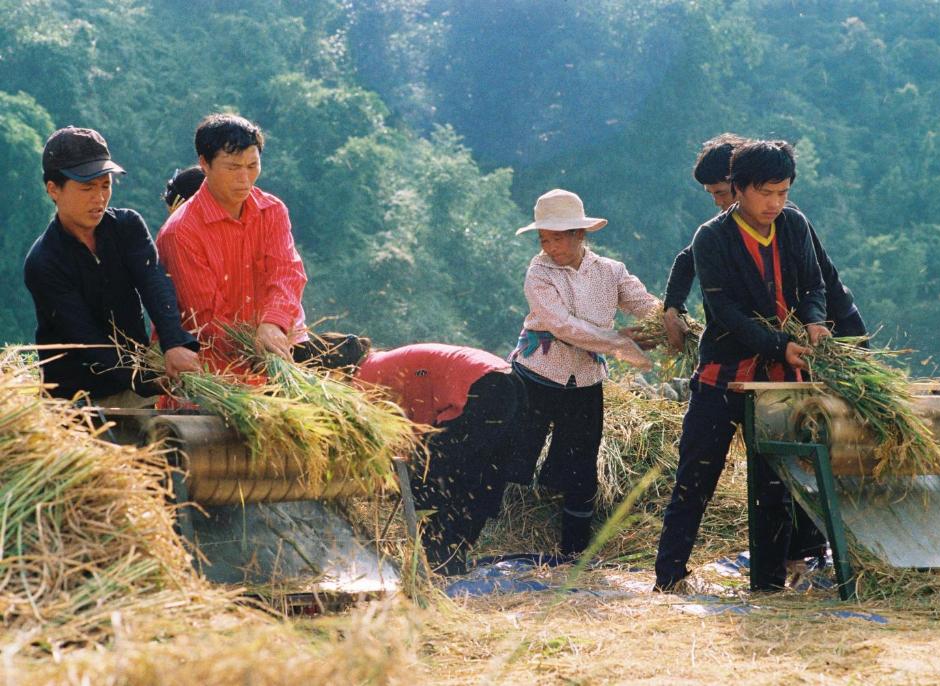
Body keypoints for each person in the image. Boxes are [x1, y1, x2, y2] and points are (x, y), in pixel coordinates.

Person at [654, 140, 830, 593]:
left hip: (779, 382)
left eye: (783, 192)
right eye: (766, 193)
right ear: (740, 189)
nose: (776, 203)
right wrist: (778, 345)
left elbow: (814, 284)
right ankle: (669, 577)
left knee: (775, 484)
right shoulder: (711, 237)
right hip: (724, 377)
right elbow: (725, 312)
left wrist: (812, 322)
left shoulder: (793, 225)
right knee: (695, 477)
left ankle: (770, 586)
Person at [508, 188, 659, 558]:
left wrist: (670, 323)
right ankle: (495, 532)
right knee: (514, 453)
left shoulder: (610, 271)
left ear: (580, 234)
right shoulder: (539, 272)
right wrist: (618, 342)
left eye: (557, 238)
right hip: (536, 374)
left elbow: (643, 303)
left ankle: (575, 551)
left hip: (585, 381)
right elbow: (561, 326)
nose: (550, 247)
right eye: (544, 239)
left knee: (581, 464)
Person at [23, 126, 200, 404]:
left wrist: (174, 343)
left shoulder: (127, 226)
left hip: (137, 386)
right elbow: (85, 339)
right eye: (87, 188)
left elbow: (154, 283)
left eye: (105, 185)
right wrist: (143, 380)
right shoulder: (44, 261)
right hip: (77, 399)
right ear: (53, 190)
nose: (99, 198)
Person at [333, 337, 527, 576]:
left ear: (333, 372)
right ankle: (451, 559)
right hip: (508, 381)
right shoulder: (381, 362)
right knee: (482, 477)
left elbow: (401, 439)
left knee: (432, 480)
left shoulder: (362, 380)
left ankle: (438, 562)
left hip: (482, 388)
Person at [662, 133, 867, 353]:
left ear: (739, 184)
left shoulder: (784, 219)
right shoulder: (725, 230)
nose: (717, 202)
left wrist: (813, 323)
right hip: (793, 337)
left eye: (721, 193)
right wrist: (672, 308)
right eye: (711, 194)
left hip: (832, 324)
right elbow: (690, 257)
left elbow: (814, 287)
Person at [156, 114, 308, 371]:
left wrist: (272, 323)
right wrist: (257, 350)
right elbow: (206, 319)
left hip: (275, 353)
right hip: (211, 373)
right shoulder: (180, 233)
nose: (245, 179)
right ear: (204, 163)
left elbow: (287, 272)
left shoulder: (271, 211)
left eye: (252, 166)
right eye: (233, 168)